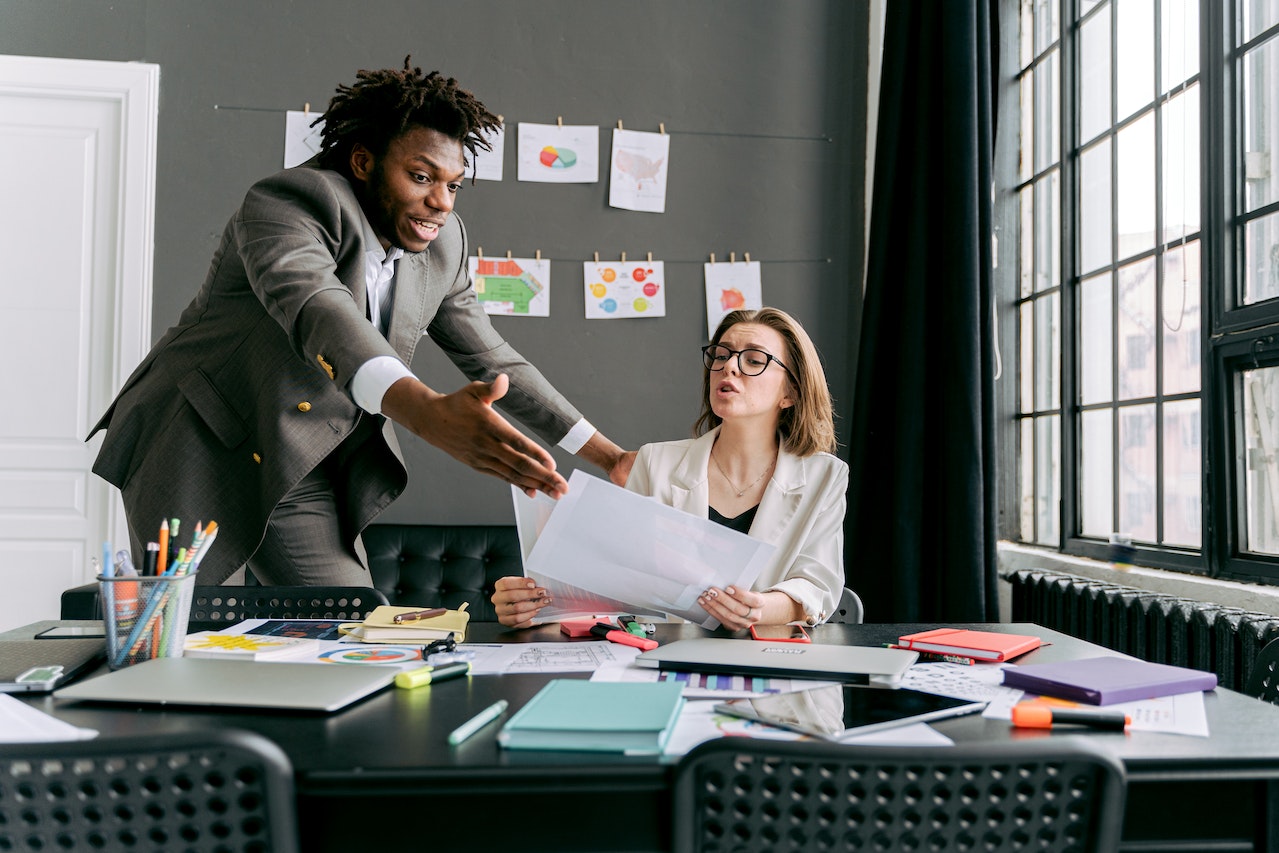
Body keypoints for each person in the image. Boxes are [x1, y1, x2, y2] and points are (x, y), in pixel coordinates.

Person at [88, 60, 631, 587]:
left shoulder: (443, 247)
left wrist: (611, 457)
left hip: (299, 459)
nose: (440, 202)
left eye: (454, 184)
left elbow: (492, 356)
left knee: (349, 626)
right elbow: (320, 310)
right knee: (178, 637)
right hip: (197, 443)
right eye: (421, 177)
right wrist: (423, 410)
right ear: (364, 161)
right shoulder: (289, 204)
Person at [493, 307, 847, 630]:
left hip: (769, 661)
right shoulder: (655, 462)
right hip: (664, 657)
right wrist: (534, 607)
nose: (729, 366)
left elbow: (817, 586)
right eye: (721, 355)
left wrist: (760, 609)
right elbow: (616, 588)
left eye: (754, 360)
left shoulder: (824, 477)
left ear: (791, 393)